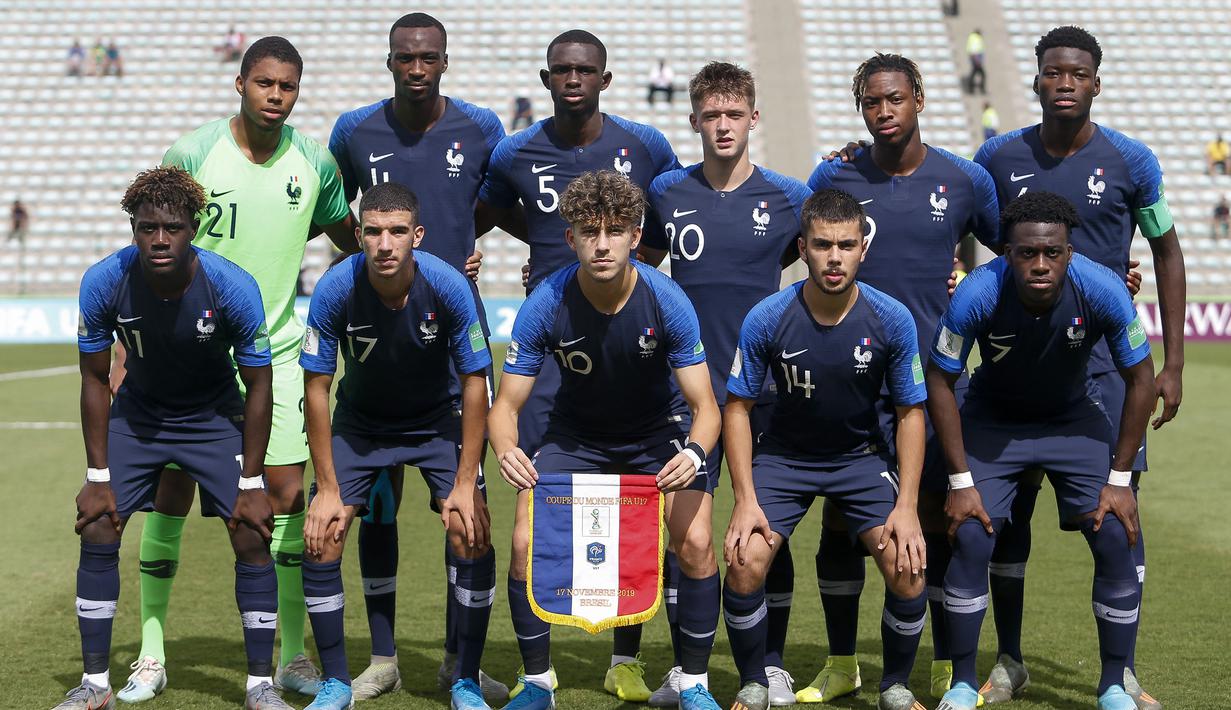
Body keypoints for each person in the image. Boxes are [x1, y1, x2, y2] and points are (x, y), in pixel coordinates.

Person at [112, 36, 358, 704]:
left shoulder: (313, 162)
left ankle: (291, 655)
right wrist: (125, 352)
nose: (275, 96)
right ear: (241, 83)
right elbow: (151, 241)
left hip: (275, 356)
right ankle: (152, 655)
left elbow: (348, 235)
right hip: (185, 357)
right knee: (169, 494)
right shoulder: (194, 153)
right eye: (264, 83)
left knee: (283, 498)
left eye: (287, 86)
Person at [973, 27, 1183, 708]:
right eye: (1053, 72)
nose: (1065, 82)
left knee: (1117, 519)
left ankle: (1121, 674)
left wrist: (1173, 362)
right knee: (1006, 522)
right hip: (1016, 366)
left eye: (1078, 73)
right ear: (1036, 79)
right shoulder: (997, 157)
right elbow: (967, 232)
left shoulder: (1132, 161)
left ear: (1096, 82)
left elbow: (1166, 250)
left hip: (1106, 371)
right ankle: (1008, 663)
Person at [478, 29, 680, 701]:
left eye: (585, 70)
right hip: (553, 340)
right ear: (546, 78)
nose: (573, 79)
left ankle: (625, 658)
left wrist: (635, 272)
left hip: (625, 333)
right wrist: (546, 255)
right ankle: (538, 673)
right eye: (561, 70)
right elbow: (484, 212)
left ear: (605, 78)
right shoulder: (515, 151)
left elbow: (673, 213)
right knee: (534, 512)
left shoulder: (644, 146)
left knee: (635, 509)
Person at [803, 53, 1000, 705]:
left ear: (918, 97)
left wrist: (971, 282)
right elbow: (788, 252)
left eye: (894, 98)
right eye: (871, 101)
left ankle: (943, 665)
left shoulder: (964, 179)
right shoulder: (833, 174)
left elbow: (1019, 251)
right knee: (839, 522)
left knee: (938, 524)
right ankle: (841, 662)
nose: (883, 111)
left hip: (935, 384)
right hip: (851, 385)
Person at [327, 12, 511, 701]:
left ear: (444, 61)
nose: (416, 67)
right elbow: (336, 209)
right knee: (377, 511)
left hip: (452, 346)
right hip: (378, 353)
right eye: (405, 57)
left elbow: (497, 202)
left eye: (427, 57)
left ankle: (459, 666)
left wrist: (449, 251)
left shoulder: (482, 128)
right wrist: (376, 263)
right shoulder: (354, 130)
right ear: (389, 62)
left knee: (466, 513)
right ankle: (383, 659)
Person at [490, 170, 722, 710]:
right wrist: (506, 449)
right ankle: (537, 683)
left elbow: (706, 408)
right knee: (523, 543)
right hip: (577, 438)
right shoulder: (547, 301)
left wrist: (693, 452)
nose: (601, 244)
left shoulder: (666, 300)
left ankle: (693, 683)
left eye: (615, 231)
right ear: (569, 237)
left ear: (635, 236)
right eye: (588, 232)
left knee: (695, 542)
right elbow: (505, 407)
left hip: (656, 435)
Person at [58, 166, 282, 710]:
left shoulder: (232, 286)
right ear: (133, 229)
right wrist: (97, 475)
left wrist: (253, 481)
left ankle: (260, 687)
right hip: (140, 417)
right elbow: (93, 379)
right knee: (97, 523)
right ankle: (94, 686)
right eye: (147, 228)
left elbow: (258, 384)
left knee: (252, 531)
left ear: (193, 229)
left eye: (173, 228)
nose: (160, 239)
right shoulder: (104, 281)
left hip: (213, 417)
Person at [928, 191, 1155, 710]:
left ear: (1069, 253)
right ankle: (963, 683)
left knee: (1115, 532)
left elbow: (1141, 378)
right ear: (1008, 253)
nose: (1040, 264)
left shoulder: (1101, 287)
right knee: (971, 534)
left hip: (1072, 419)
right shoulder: (977, 293)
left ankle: (1114, 684)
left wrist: (1120, 480)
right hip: (994, 419)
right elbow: (941, 379)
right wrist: (960, 482)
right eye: (1027, 253)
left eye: (1052, 252)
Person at [639, 61, 810, 708]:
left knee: (763, 531)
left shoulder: (788, 197)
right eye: (711, 115)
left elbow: (817, 256)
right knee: (687, 535)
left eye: (734, 114)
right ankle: (688, 672)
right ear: (694, 121)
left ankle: (770, 667)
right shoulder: (666, 192)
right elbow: (640, 269)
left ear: (753, 118)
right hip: (687, 394)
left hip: (764, 393)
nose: (723, 126)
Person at [722, 188, 929, 710]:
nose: (834, 258)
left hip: (860, 459)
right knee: (745, 560)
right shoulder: (768, 316)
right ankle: (754, 681)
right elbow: (737, 408)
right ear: (802, 248)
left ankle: (895, 685)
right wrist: (744, 499)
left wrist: (907, 506)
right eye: (822, 245)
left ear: (863, 249)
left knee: (908, 569)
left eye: (845, 245)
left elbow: (910, 413)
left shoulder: (892, 318)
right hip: (783, 459)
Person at [298, 183, 495, 710]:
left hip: (435, 422)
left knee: (470, 529)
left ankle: (464, 678)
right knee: (324, 532)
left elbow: (475, 381)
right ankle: (337, 683)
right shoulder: (336, 287)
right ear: (359, 235)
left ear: (417, 235)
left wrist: (465, 482)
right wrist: (327, 488)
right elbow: (316, 387)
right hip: (362, 425)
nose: (385, 244)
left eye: (397, 231)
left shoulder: (448, 285)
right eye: (373, 232)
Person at [965, 29, 985, 95]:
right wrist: (977, 60)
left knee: (974, 73)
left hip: (975, 59)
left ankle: (972, 89)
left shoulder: (973, 38)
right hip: (976, 59)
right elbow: (974, 51)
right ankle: (979, 89)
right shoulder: (975, 39)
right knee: (981, 74)